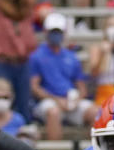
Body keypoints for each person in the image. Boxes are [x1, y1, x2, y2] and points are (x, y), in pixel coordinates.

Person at [29, 12, 96, 140]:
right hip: (48, 102)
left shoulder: (72, 57)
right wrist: (57, 100)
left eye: (58, 31)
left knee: (95, 112)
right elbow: (35, 87)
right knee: (53, 112)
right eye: (53, 31)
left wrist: (76, 100)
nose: (56, 35)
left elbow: (81, 86)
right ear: (46, 31)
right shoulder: (37, 56)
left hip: (70, 101)